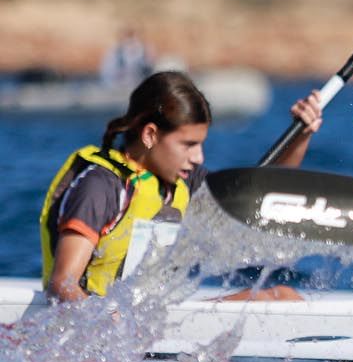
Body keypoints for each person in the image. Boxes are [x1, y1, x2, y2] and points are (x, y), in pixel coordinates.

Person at [41, 71, 324, 301]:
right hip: (102, 330)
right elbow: (63, 284)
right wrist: (109, 326)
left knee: (282, 297)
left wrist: (300, 136)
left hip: (155, 321)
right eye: (188, 145)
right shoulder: (100, 188)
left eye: (200, 144)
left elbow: (261, 202)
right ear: (151, 135)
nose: (198, 157)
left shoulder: (186, 183)